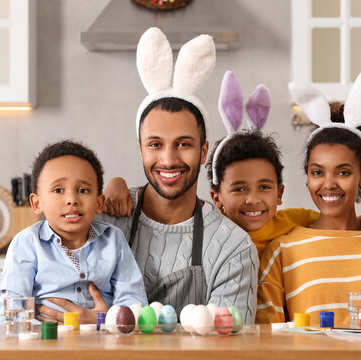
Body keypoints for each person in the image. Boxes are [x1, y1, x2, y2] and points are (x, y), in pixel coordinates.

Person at [97, 28, 259, 324]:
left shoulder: (232, 247)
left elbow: (232, 349)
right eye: (155, 144)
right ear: (140, 149)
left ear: (204, 150)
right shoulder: (104, 219)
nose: (169, 159)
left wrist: (99, 321)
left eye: (183, 144)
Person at [256, 65, 361, 326]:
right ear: (307, 176)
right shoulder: (282, 251)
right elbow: (269, 336)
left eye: (343, 172)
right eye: (317, 172)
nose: (328, 184)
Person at [206, 71, 361, 270]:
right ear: (216, 198)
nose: (253, 199)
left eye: (264, 186)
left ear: (280, 193)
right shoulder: (210, 238)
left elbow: (336, 221)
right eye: (239, 189)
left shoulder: (291, 222)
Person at [0, 140, 148, 324]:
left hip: (103, 342)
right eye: (58, 190)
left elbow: (134, 304)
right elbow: (9, 311)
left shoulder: (113, 239)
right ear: (37, 203)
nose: (72, 199)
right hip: (44, 343)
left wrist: (101, 320)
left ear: (99, 203)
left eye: (83, 190)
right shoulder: (27, 243)